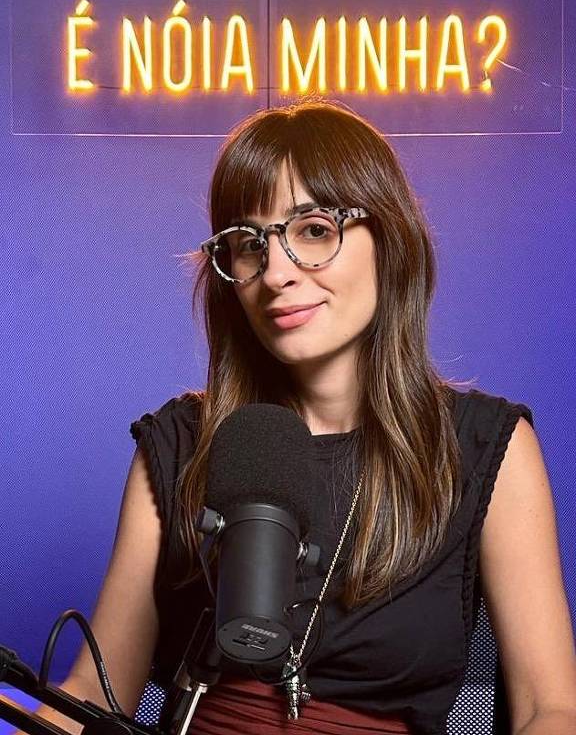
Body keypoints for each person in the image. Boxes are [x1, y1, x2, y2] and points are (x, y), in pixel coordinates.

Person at [23, 101, 576, 735]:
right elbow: (94, 693)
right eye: (249, 244)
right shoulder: (181, 444)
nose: (277, 274)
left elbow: (549, 710)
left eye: (313, 229)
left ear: (388, 239)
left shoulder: (485, 449)